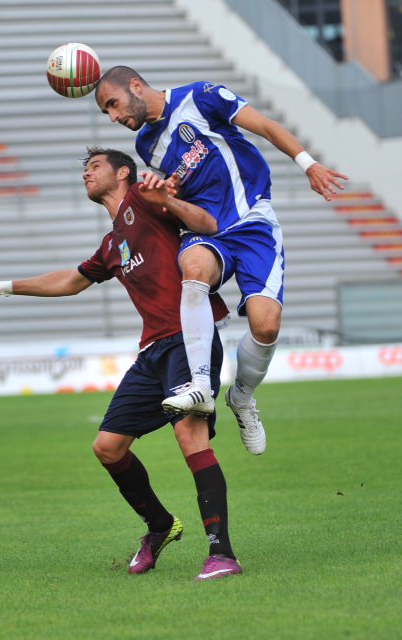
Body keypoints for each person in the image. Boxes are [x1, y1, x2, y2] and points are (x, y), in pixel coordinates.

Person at [0, 147, 243, 582]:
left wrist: (167, 197)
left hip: (189, 340)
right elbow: (70, 281)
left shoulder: (145, 199)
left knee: (191, 440)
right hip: (152, 351)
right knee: (108, 448)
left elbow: (206, 223)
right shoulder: (113, 243)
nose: (85, 175)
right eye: (83, 170)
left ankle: (222, 553)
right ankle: (159, 527)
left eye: (93, 167)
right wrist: (1, 285)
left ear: (123, 172)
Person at [95, 66, 349, 455]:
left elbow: (263, 125)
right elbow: (179, 187)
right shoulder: (147, 145)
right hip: (207, 228)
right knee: (193, 269)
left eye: (113, 104)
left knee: (266, 326)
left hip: (252, 220)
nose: (114, 117)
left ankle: (242, 396)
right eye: (106, 113)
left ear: (135, 86)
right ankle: (199, 386)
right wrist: (165, 192)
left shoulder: (200, 96)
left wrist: (307, 164)